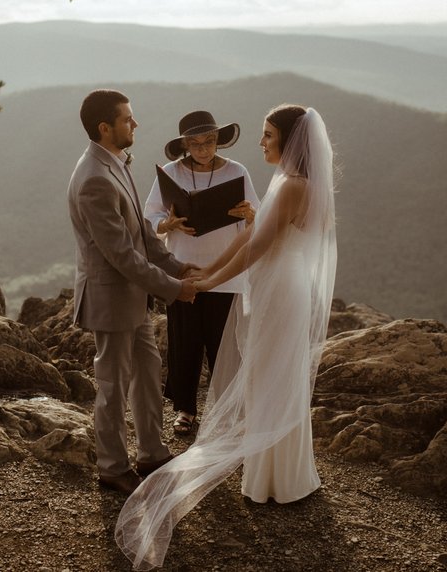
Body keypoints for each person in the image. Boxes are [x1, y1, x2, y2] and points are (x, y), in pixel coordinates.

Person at [115, 105, 337, 570]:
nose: (261, 144)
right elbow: (254, 236)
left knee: (269, 376)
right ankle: (283, 475)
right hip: (281, 289)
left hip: (280, 294)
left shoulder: (292, 186)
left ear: (290, 141)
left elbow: (256, 246)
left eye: (268, 135)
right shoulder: (296, 184)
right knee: (273, 377)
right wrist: (208, 274)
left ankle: (275, 480)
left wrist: (207, 283)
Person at [67, 89, 199, 497]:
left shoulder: (114, 163)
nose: (135, 124)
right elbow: (121, 255)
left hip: (135, 298)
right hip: (111, 300)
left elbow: (141, 230)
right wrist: (175, 290)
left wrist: (177, 265)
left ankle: (153, 453)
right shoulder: (93, 180)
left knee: (147, 374)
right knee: (112, 386)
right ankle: (112, 468)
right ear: (105, 128)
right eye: (128, 119)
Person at [144, 110, 260, 436]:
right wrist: (167, 223)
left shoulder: (237, 172)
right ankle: (184, 410)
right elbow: (148, 217)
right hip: (183, 270)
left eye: (208, 141)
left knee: (224, 346)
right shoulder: (170, 173)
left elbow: (259, 222)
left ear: (217, 139)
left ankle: (225, 411)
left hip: (227, 273)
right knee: (185, 342)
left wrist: (250, 214)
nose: (203, 150)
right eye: (194, 144)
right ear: (184, 145)